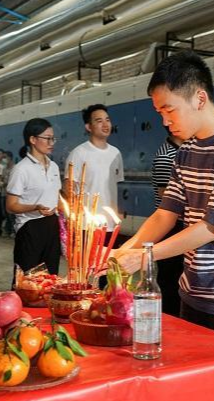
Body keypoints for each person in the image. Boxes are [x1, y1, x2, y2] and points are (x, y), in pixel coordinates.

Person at [114, 50, 214, 345]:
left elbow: (212, 227)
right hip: (193, 291)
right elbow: (165, 214)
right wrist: (124, 250)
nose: (165, 121)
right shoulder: (187, 150)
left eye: (169, 110)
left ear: (199, 98)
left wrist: (144, 256)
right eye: (160, 113)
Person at [64, 104, 124, 286]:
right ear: (88, 127)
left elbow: (116, 186)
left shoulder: (116, 153)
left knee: (108, 273)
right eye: (99, 121)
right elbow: (68, 189)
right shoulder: (79, 153)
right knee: (85, 275)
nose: (105, 124)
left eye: (107, 120)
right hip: (86, 226)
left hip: (110, 225)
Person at [6, 118, 61, 283]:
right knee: (26, 282)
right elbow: (10, 206)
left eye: (53, 138)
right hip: (30, 229)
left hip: (52, 226)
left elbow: (56, 197)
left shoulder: (54, 167)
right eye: (47, 138)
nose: (51, 143)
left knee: (50, 280)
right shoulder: (21, 169)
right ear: (33, 139)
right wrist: (35, 207)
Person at [151, 128, 184, 316]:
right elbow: (167, 196)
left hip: (180, 223)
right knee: (169, 278)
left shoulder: (184, 150)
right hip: (170, 225)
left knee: (177, 276)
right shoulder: (166, 156)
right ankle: (168, 317)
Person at [1, 151, 16, 237]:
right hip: (4, 193)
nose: (3, 159)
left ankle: (14, 231)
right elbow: (3, 179)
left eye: (4, 157)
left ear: (10, 158)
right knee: (5, 213)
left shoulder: (15, 168)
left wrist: (5, 183)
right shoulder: (4, 169)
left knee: (12, 214)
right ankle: (8, 230)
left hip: (12, 194)